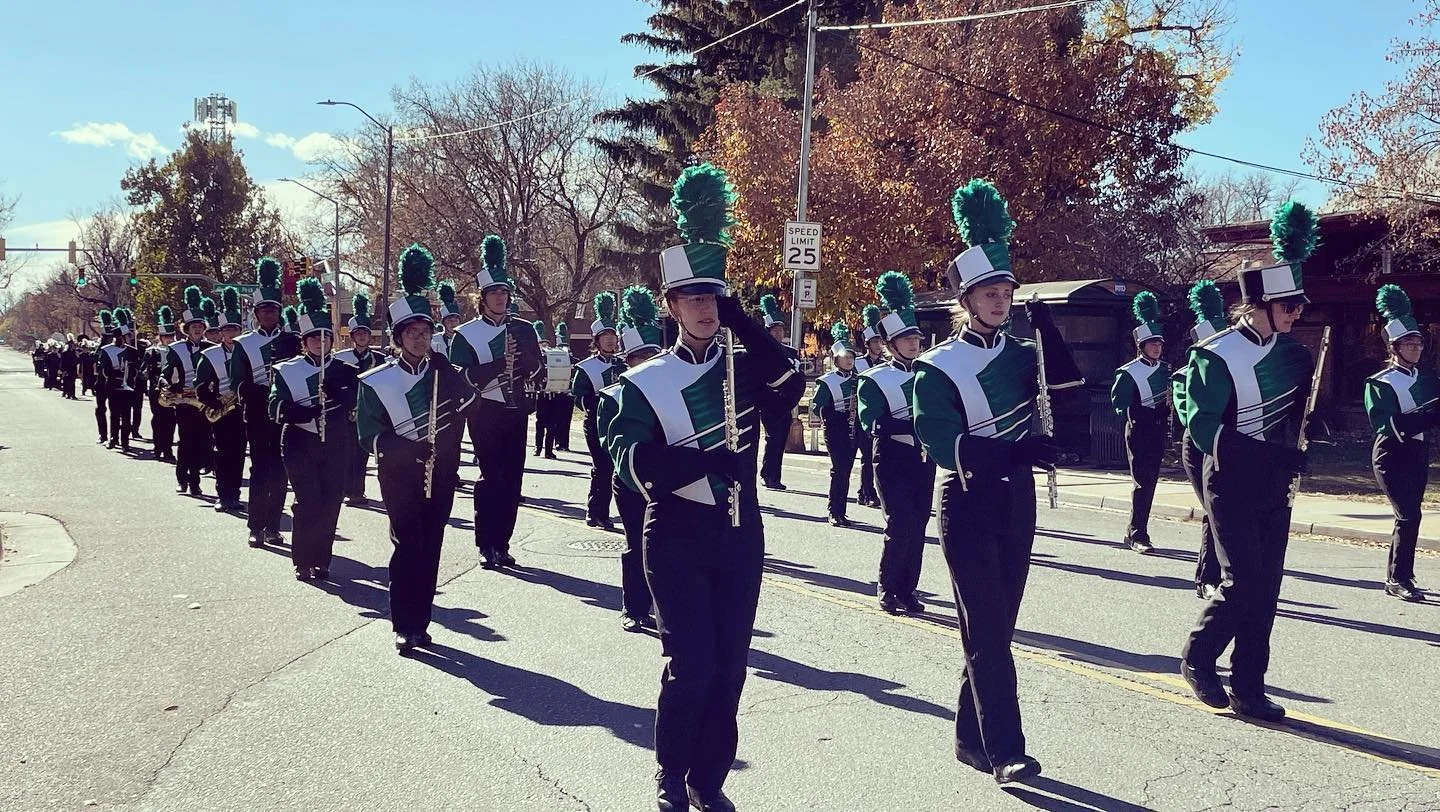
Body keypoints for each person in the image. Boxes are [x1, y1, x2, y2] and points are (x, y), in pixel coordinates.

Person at [606, 165, 804, 811]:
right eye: (692, 297)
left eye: (713, 297)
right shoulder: (644, 382)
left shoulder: (745, 367)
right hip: (676, 534)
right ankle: (670, 772)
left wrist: (743, 319)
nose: (704, 308)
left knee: (731, 667)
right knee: (691, 665)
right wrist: (703, 461)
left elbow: (790, 385)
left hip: (741, 534)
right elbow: (631, 464)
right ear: (670, 305)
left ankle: (708, 778)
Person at [912, 179, 1083, 784]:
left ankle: (970, 738)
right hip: (966, 501)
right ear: (966, 299)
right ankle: (1007, 748)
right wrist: (1016, 452)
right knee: (985, 627)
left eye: (1006, 292)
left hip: (1016, 500)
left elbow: (1070, 402)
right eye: (989, 292)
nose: (1000, 301)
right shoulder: (936, 367)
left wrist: (1050, 334)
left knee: (996, 625)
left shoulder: (1023, 353)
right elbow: (943, 444)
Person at [1180, 201, 1319, 723]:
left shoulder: (1297, 354)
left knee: (1267, 590)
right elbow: (1203, 426)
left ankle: (1249, 687)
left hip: (1274, 482)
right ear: (1260, 303)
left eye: (1299, 305)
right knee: (1241, 582)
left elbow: (1297, 418)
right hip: (1231, 478)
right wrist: (1264, 454)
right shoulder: (1214, 354)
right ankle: (1198, 656)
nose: (1297, 314)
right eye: (1290, 305)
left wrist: (1308, 438)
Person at [358, 246, 480, 652]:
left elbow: (473, 406)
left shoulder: (443, 373)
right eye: (411, 332)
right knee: (408, 545)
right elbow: (368, 434)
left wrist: (453, 377)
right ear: (398, 338)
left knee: (431, 547)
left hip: (441, 473)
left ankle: (421, 623)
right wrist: (406, 451)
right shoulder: (375, 381)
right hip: (399, 475)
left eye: (425, 331)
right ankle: (403, 623)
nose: (420, 337)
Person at [448, 235, 543, 569]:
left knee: (513, 479)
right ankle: (486, 543)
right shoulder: (466, 334)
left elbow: (539, 370)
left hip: (516, 410)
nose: (500, 297)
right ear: (482, 298)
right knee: (492, 477)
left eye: (504, 292)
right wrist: (500, 364)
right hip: (484, 412)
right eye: (494, 293)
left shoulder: (525, 329)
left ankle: (503, 544)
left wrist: (529, 362)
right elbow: (460, 379)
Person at [269, 278, 359, 581]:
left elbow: (358, 405)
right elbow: (273, 407)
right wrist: (300, 412)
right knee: (308, 501)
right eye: (314, 339)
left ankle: (322, 559)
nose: (320, 343)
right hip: (299, 441)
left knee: (331, 501)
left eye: (325, 338)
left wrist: (342, 396)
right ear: (304, 342)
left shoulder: (345, 371)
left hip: (335, 442)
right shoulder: (286, 370)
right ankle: (303, 559)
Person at [858, 272, 934, 615]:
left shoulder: (930, 374)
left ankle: (907, 590)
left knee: (918, 525)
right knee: (900, 522)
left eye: (915, 337)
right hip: (891, 457)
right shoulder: (874, 379)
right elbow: (872, 422)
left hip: (924, 458)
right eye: (905, 339)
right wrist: (915, 425)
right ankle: (887, 588)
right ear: (890, 344)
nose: (913, 344)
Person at [1365, 284, 1436, 602]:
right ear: (1394, 347)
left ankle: (1401, 575)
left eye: (1418, 342)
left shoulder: (1428, 380)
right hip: (1391, 455)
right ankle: (1398, 579)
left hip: (1418, 453)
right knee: (1408, 515)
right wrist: (1429, 417)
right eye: (1409, 343)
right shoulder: (1380, 383)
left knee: (1412, 515)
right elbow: (1389, 426)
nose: (1416, 348)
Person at [604, 285, 664, 632]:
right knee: (637, 545)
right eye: (639, 358)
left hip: (667, 479)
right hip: (630, 481)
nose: (647, 363)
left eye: (652, 356)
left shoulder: (671, 392)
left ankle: (667, 608)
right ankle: (634, 607)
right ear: (627, 362)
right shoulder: (612, 397)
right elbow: (611, 446)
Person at [232, 259, 301, 549]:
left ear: (279, 312)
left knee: (282, 471)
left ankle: (273, 526)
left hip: (285, 415)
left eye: (273, 309)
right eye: (264, 310)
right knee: (260, 470)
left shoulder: (292, 341)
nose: (269, 314)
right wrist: (261, 392)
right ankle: (256, 526)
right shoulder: (243, 343)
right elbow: (238, 383)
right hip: (258, 414)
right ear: (256, 314)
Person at [1172, 281, 1226, 598]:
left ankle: (1228, 574)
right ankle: (1207, 577)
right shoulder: (1184, 375)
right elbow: (1188, 415)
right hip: (1198, 445)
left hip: (1228, 444)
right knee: (1213, 509)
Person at [1110, 291, 1171, 555]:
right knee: (1142, 481)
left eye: (1159, 344)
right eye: (1152, 344)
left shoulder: (1167, 370)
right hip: (1138, 430)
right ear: (1141, 346)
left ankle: (1136, 529)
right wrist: (1142, 415)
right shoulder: (1128, 373)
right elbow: (1119, 406)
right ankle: (1137, 534)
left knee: (1152, 481)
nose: (1156, 348)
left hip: (1158, 431)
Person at [572, 292, 626, 530]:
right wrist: (597, 405)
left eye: (613, 336)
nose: (610, 341)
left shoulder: (623, 365)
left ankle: (602, 512)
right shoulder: (586, 367)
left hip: (618, 423)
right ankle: (597, 512)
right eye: (605, 337)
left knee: (616, 468)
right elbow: (579, 398)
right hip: (595, 423)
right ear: (597, 340)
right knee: (602, 467)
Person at [196, 287, 248, 513]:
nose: (231, 334)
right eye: (227, 330)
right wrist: (215, 402)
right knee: (223, 453)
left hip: (245, 409)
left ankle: (234, 494)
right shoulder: (210, 355)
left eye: (234, 329)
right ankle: (223, 495)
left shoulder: (249, 350)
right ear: (221, 332)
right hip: (223, 411)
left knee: (239, 454)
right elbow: (200, 385)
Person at [334, 293, 385, 505]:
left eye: (365, 333)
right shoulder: (341, 358)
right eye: (358, 333)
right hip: (346, 412)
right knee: (346, 453)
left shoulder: (380, 359)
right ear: (352, 336)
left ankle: (357, 491)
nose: (362, 336)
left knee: (363, 453)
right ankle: (345, 489)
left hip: (368, 413)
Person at [811, 323, 862, 527]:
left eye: (851, 357)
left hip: (855, 429)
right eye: (845, 357)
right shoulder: (827, 381)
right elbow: (817, 408)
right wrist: (837, 416)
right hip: (836, 430)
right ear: (836, 360)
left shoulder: (860, 380)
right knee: (840, 470)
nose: (849, 360)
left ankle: (843, 511)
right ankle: (834, 511)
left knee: (847, 470)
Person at [165, 288, 216, 496]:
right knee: (186, 441)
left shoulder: (211, 347)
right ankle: (184, 479)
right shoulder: (176, 348)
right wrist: (168, 385)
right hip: (184, 401)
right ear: (187, 329)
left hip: (204, 403)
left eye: (200, 326)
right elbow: (166, 374)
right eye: (194, 326)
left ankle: (195, 479)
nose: (197, 329)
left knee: (203, 442)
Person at [758, 295, 800, 491]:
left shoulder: (791, 352)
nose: (779, 333)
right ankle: (767, 475)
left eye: (781, 329)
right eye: (775, 330)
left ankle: (775, 476)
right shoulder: (761, 351)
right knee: (773, 438)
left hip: (786, 403)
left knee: (781, 440)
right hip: (769, 403)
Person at [852, 306, 886, 508]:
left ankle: (867, 491)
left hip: (880, 415)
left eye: (881, 341)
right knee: (867, 456)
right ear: (867, 344)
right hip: (860, 415)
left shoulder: (885, 363)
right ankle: (866, 492)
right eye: (874, 342)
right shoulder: (857, 364)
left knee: (875, 456)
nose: (879, 345)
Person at [99, 309, 144, 452]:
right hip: (113, 386)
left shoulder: (132, 351)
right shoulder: (106, 350)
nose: (128, 338)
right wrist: (117, 373)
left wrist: (130, 374)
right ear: (119, 337)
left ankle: (125, 441)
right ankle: (113, 438)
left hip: (128, 387)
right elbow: (104, 370)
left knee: (126, 414)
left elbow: (136, 368)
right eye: (126, 336)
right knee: (114, 413)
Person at [146, 308, 178, 463]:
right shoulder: (152, 351)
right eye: (166, 336)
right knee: (158, 419)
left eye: (171, 336)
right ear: (161, 337)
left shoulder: (178, 350)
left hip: (174, 389)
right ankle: (158, 448)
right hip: (157, 390)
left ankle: (168, 449)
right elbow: (145, 370)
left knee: (171, 420)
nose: (169, 339)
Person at [91, 317, 113, 444]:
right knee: (100, 409)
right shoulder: (99, 351)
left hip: (114, 381)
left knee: (116, 410)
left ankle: (115, 436)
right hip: (101, 381)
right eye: (106, 337)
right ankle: (103, 434)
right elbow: (95, 365)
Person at [431, 280, 462, 358]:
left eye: (456, 320)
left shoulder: (466, 339)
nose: (453, 323)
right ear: (443, 322)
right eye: (449, 320)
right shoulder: (434, 340)